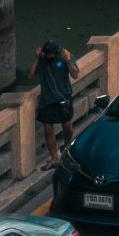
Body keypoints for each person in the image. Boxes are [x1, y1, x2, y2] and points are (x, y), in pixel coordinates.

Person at [33, 39, 78, 169]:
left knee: (67, 127)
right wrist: (37, 58)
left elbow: (75, 75)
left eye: (49, 54)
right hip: (47, 100)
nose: (47, 57)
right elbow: (30, 74)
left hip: (64, 98)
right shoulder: (42, 59)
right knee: (48, 128)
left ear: (56, 52)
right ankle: (54, 158)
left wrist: (68, 60)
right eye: (45, 54)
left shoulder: (65, 56)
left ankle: (67, 145)